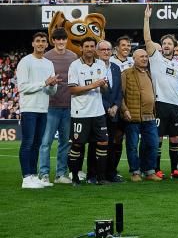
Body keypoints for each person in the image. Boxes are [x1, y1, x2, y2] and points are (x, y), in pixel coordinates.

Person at [143, 5, 178, 179]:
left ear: (174, 47)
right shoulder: (156, 58)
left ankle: (175, 169)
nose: (166, 45)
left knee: (175, 138)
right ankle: (157, 169)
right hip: (159, 104)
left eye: (170, 43)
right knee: (158, 139)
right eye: (164, 43)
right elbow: (147, 40)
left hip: (175, 105)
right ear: (160, 46)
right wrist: (146, 19)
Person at [17, 32, 58, 189]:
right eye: (38, 41)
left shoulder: (49, 63)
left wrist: (52, 85)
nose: (41, 43)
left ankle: (33, 176)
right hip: (29, 108)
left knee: (37, 144)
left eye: (43, 41)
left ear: (47, 44)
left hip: (43, 108)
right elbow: (23, 88)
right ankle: (26, 178)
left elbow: (51, 92)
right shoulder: (25, 61)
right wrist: (44, 82)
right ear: (33, 44)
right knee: (28, 142)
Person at [67, 38, 110, 185]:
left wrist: (103, 86)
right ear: (81, 48)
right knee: (77, 145)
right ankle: (74, 177)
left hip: (98, 112)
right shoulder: (74, 66)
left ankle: (100, 177)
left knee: (103, 142)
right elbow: (72, 89)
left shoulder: (101, 64)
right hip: (81, 113)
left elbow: (105, 89)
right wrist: (94, 85)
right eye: (87, 46)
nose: (90, 49)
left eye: (92, 46)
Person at [39, 27, 76, 185]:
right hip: (51, 106)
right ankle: (44, 173)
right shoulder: (46, 57)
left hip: (68, 106)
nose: (61, 42)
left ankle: (61, 173)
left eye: (63, 39)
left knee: (64, 143)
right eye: (57, 39)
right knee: (46, 142)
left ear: (66, 40)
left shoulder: (73, 56)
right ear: (53, 41)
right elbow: (42, 82)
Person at [121, 49, 160, 182]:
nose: (144, 59)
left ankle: (149, 171)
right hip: (133, 115)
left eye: (146, 56)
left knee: (152, 144)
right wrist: (124, 109)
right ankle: (135, 172)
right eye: (141, 56)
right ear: (134, 58)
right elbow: (121, 94)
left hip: (149, 116)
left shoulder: (149, 73)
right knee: (132, 145)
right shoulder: (126, 73)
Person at [92, 41, 123, 183]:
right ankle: (93, 175)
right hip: (98, 111)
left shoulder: (116, 68)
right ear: (97, 51)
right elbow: (95, 90)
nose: (106, 52)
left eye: (108, 49)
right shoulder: (92, 67)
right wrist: (107, 107)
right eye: (103, 49)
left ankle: (111, 173)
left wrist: (116, 106)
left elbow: (119, 91)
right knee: (96, 144)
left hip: (113, 112)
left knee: (111, 143)